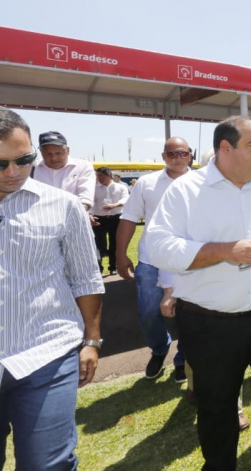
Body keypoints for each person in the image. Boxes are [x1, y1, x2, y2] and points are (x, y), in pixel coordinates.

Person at [145, 115, 251, 469]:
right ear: (225, 148)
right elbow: (156, 247)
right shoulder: (186, 190)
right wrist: (221, 251)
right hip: (211, 323)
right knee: (217, 407)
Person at [0, 109, 105, 470]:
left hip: (48, 354)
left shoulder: (63, 205)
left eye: (24, 159)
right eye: (1, 164)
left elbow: (85, 277)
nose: (13, 172)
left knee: (48, 465)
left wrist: (91, 341)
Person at [116, 137, 193, 383]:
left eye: (182, 153)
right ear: (163, 156)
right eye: (172, 154)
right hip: (151, 259)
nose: (178, 158)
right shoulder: (147, 183)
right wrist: (120, 253)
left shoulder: (202, 183)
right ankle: (160, 350)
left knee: (189, 313)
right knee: (148, 312)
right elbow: (129, 217)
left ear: (190, 155)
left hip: (189, 259)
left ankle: (183, 359)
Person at [32, 130, 95, 211]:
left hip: (73, 219)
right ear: (41, 152)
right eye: (48, 154)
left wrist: (78, 214)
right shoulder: (32, 169)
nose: (54, 158)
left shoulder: (83, 167)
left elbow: (85, 199)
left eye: (58, 153)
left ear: (67, 150)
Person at [91, 166, 130, 275]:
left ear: (108, 175)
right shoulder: (94, 188)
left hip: (116, 218)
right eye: (97, 176)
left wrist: (115, 205)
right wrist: (90, 215)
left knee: (114, 243)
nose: (98, 178)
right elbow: (91, 203)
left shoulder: (121, 187)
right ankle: (99, 268)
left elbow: (126, 198)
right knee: (99, 244)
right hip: (99, 219)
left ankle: (113, 267)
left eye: (100, 176)